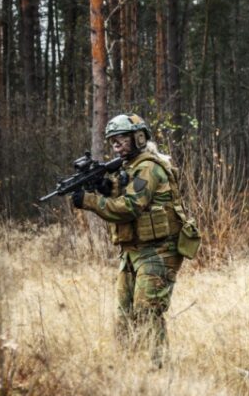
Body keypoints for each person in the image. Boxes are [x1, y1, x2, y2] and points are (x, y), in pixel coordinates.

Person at [71, 113, 195, 369]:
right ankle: (127, 369)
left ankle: (160, 369)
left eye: (122, 139)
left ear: (139, 137)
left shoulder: (149, 167)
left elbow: (130, 206)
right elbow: (122, 191)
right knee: (125, 316)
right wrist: (105, 186)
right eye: (113, 141)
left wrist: (90, 200)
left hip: (159, 251)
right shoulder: (129, 167)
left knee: (148, 311)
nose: (116, 145)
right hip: (133, 251)